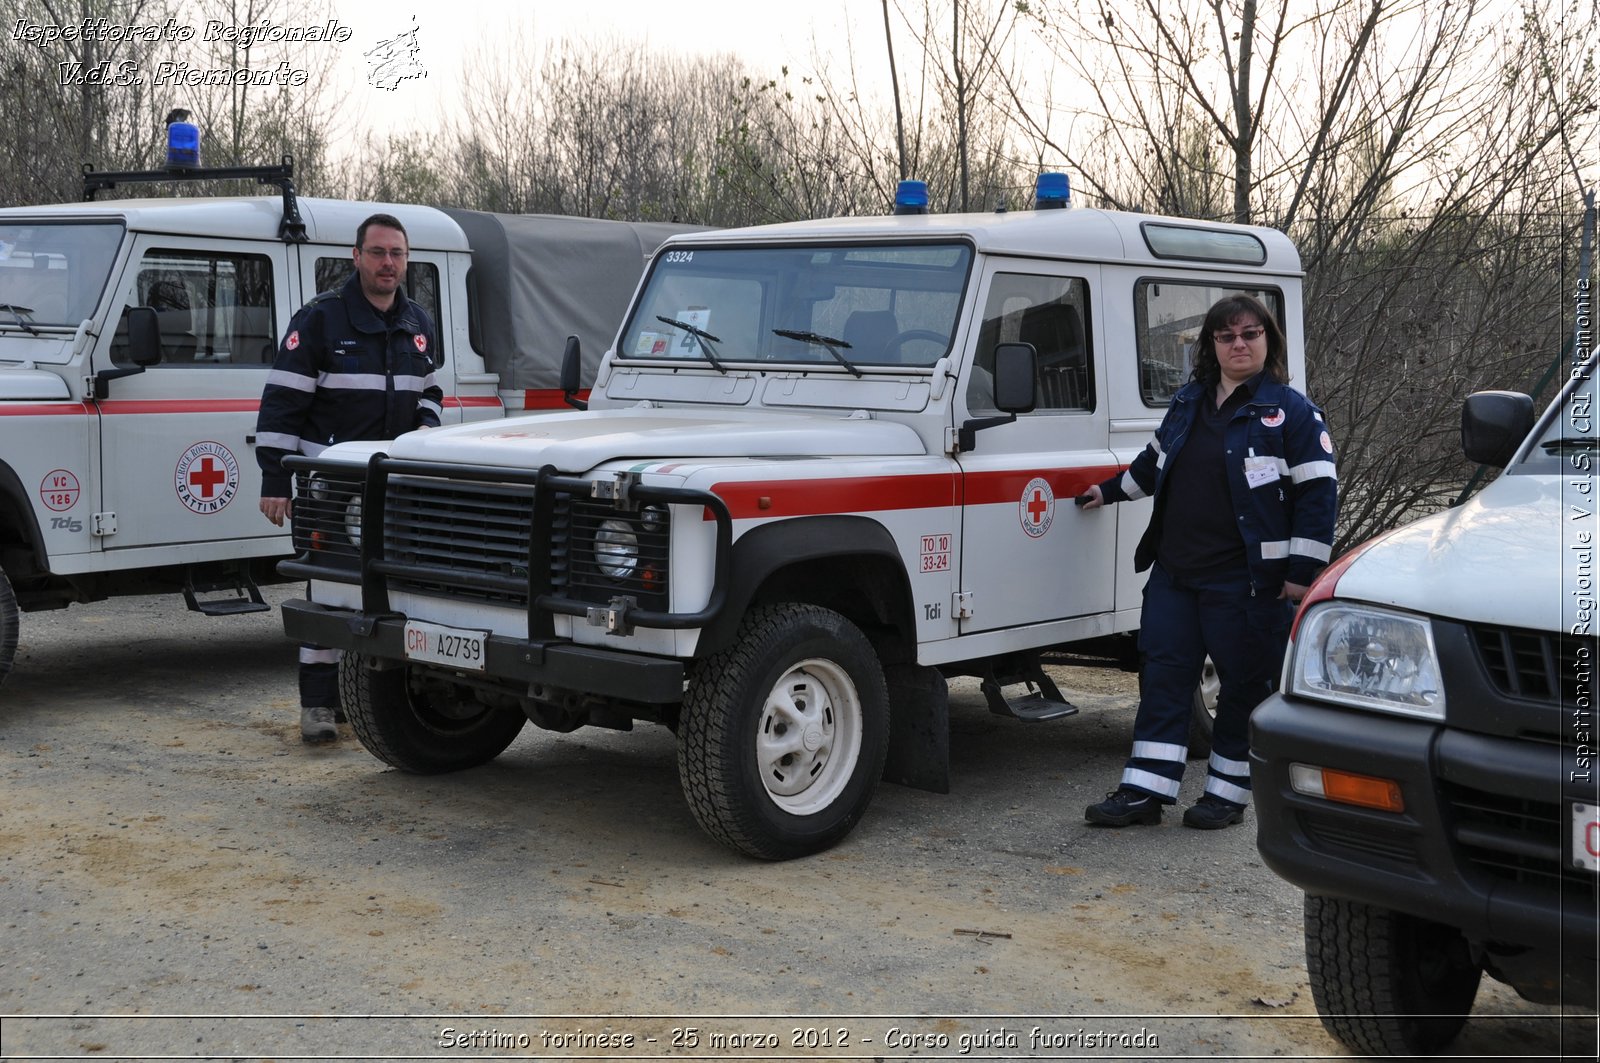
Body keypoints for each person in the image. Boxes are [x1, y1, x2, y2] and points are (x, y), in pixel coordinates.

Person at [1079, 292, 1337, 829]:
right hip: (1175, 575)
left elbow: (1319, 496)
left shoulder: (1291, 413)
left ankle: (1225, 795)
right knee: (1163, 680)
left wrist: (1299, 576)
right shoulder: (1188, 403)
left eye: (1250, 334)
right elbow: (1152, 465)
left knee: (1243, 687)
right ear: (1211, 346)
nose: (1238, 344)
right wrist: (1104, 493)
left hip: (1246, 584)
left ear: (1268, 341)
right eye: (1227, 336)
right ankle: (1144, 792)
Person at [256, 213, 443, 743]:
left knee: (392, 591)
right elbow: (282, 403)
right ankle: (318, 705)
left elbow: (430, 392)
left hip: (395, 486)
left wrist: (424, 436)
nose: (389, 264)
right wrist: (274, 479)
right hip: (329, 486)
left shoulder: (418, 323)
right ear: (356, 256)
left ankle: (377, 704)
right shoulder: (320, 319)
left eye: (398, 255)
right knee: (328, 592)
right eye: (379, 253)